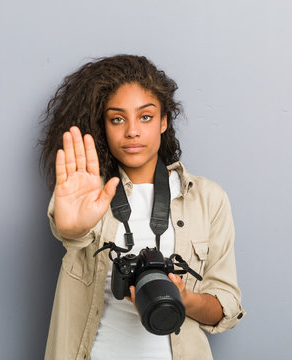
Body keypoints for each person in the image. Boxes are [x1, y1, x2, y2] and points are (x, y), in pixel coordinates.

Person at [39, 55, 245, 360]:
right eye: (117, 119)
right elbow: (72, 232)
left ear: (164, 121)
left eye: (145, 117)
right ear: (103, 126)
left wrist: (180, 297)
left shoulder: (207, 199)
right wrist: (71, 229)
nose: (132, 131)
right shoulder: (87, 193)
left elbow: (225, 308)